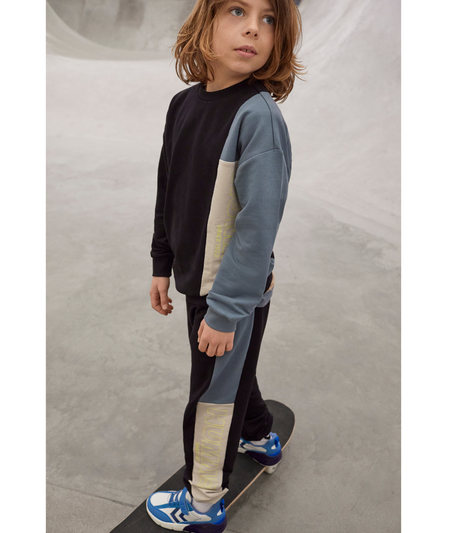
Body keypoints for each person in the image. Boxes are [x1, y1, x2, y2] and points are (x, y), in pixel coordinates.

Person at [147, 0, 304, 530]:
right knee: (229, 370)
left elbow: (258, 227)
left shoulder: (259, 118)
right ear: (204, 20)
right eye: (238, 10)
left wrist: (226, 310)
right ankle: (258, 436)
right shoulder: (183, 105)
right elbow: (169, 188)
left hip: (230, 290)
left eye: (269, 19)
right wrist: (162, 261)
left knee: (211, 396)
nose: (253, 29)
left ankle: (203, 503)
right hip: (198, 279)